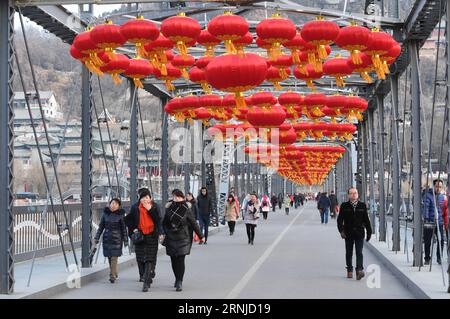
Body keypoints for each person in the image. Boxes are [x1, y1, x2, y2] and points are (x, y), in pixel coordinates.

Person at [163, 189, 205, 291]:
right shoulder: (169, 208)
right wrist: (164, 233)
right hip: (171, 237)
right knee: (173, 260)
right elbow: (164, 223)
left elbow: (193, 223)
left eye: (178, 196)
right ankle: (176, 278)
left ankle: (179, 281)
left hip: (183, 238)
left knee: (180, 260)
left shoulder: (187, 209)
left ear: (182, 197)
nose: (176, 198)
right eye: (174, 196)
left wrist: (201, 236)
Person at [124, 189, 163, 292]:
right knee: (140, 258)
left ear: (150, 198)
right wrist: (133, 230)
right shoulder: (135, 208)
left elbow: (158, 220)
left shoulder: (155, 206)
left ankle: (146, 282)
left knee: (150, 258)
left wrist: (149, 209)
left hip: (152, 235)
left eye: (147, 197)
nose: (145, 200)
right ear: (139, 199)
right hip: (140, 236)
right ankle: (145, 274)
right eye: (143, 198)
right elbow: (128, 220)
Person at [337, 187, 372, 280]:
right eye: (351, 193)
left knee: (359, 252)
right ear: (348, 195)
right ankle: (349, 270)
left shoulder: (362, 205)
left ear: (358, 194)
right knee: (349, 252)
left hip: (359, 233)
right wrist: (341, 231)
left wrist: (369, 232)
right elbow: (339, 220)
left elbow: (366, 220)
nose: (354, 195)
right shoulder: (344, 206)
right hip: (348, 233)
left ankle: (359, 270)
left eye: (355, 193)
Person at [94, 198, 128, 284]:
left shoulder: (121, 215)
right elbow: (101, 227)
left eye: (116, 204)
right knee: (109, 257)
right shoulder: (105, 214)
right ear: (109, 204)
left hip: (117, 239)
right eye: (112, 203)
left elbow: (123, 229)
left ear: (118, 206)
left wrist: (125, 240)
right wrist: (96, 237)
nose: (114, 205)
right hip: (107, 239)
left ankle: (112, 275)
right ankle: (114, 272)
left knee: (114, 257)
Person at [422, 179, 446, 265]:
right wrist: (427, 218)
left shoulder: (441, 197)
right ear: (434, 186)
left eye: (440, 187)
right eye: (437, 187)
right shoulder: (428, 195)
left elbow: (443, 209)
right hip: (430, 222)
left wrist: (443, 220)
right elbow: (426, 208)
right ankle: (427, 258)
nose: (438, 189)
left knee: (441, 240)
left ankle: (439, 257)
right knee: (428, 240)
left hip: (439, 222)